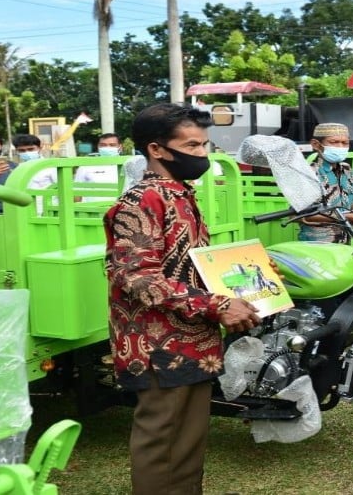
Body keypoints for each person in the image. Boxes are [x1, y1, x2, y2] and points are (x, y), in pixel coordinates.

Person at [104, 103, 261, 495]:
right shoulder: (141, 201)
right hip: (158, 344)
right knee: (162, 443)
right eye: (192, 145)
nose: (202, 154)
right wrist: (218, 305)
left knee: (188, 443)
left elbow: (186, 265)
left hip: (193, 340)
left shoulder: (179, 194)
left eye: (206, 145)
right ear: (157, 149)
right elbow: (138, 277)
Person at [298, 122, 353, 243]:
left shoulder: (346, 169)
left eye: (345, 143)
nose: (340, 147)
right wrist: (349, 217)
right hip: (317, 243)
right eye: (334, 142)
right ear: (316, 144)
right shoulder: (308, 173)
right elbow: (302, 215)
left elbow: (350, 202)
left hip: (344, 242)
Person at [12, 133, 57, 214]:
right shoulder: (18, 168)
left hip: (49, 211)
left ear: (39, 148)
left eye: (31, 149)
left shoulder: (51, 167)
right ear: (17, 151)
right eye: (22, 150)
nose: (27, 152)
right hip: (26, 211)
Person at [74, 133, 121, 200]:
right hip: (91, 209)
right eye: (103, 145)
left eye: (112, 145)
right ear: (98, 146)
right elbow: (77, 193)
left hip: (119, 209)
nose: (107, 148)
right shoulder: (86, 166)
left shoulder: (127, 165)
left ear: (120, 147)